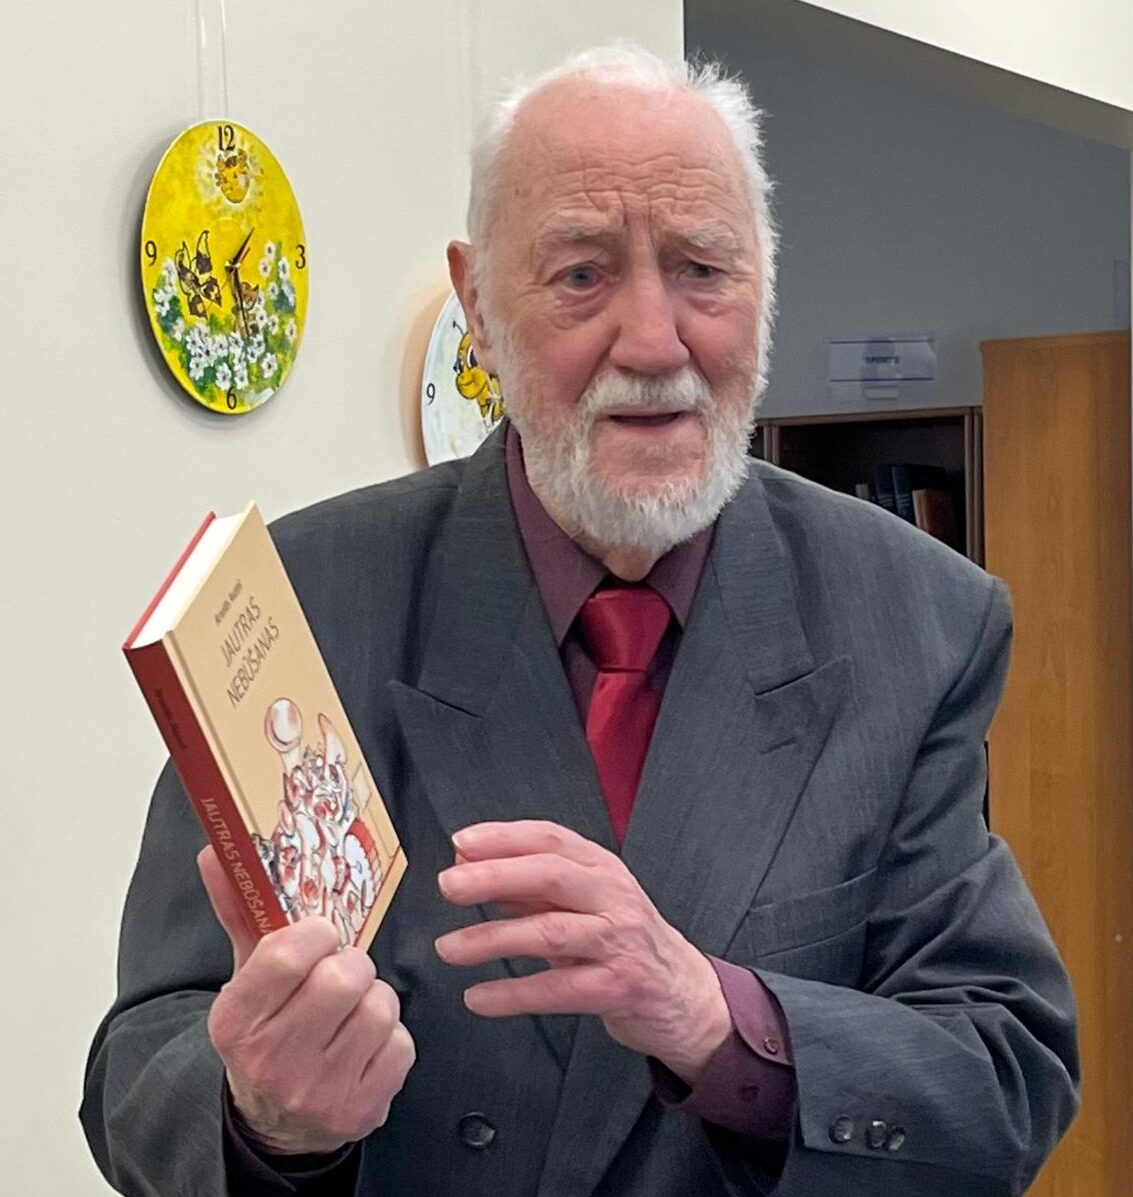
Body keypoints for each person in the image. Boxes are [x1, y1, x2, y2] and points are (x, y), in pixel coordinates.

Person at [82, 42, 1078, 1197]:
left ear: (763, 285)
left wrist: (716, 1019)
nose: (653, 344)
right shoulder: (299, 601)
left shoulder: (915, 618)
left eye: (702, 267)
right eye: (579, 275)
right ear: (476, 307)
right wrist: (263, 1117)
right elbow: (139, 1072)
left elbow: (1001, 1083)